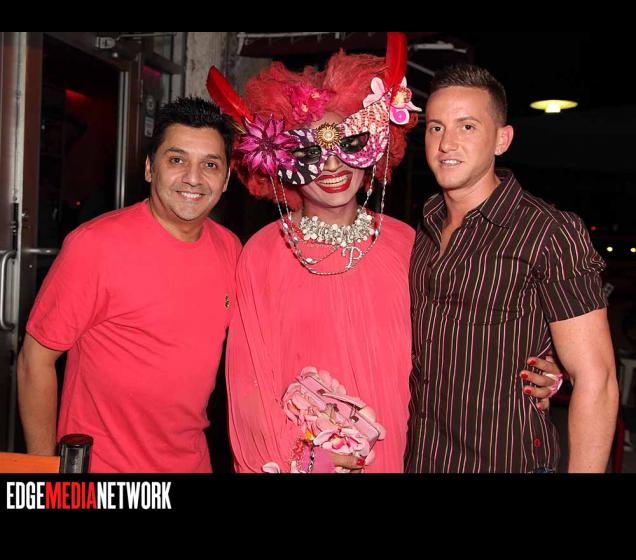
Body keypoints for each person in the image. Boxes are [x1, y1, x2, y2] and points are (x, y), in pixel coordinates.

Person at [208, 34, 559, 473]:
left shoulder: (409, 242)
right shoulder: (264, 252)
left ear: (374, 149)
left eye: (350, 145)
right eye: (310, 152)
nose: (332, 166)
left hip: (410, 453)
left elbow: (457, 339)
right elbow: (249, 386)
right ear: (282, 162)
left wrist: (539, 370)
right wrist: (310, 457)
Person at [405, 64, 619, 473]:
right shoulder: (425, 226)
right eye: (436, 128)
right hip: (422, 458)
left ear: (502, 140)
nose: (447, 143)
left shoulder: (548, 232)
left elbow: (598, 379)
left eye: (467, 127)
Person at [17, 97, 241, 473]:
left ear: (227, 179)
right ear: (150, 168)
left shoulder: (231, 249)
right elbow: (34, 361)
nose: (193, 178)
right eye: (177, 160)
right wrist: (45, 474)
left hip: (191, 463)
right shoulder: (95, 246)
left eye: (210, 164)